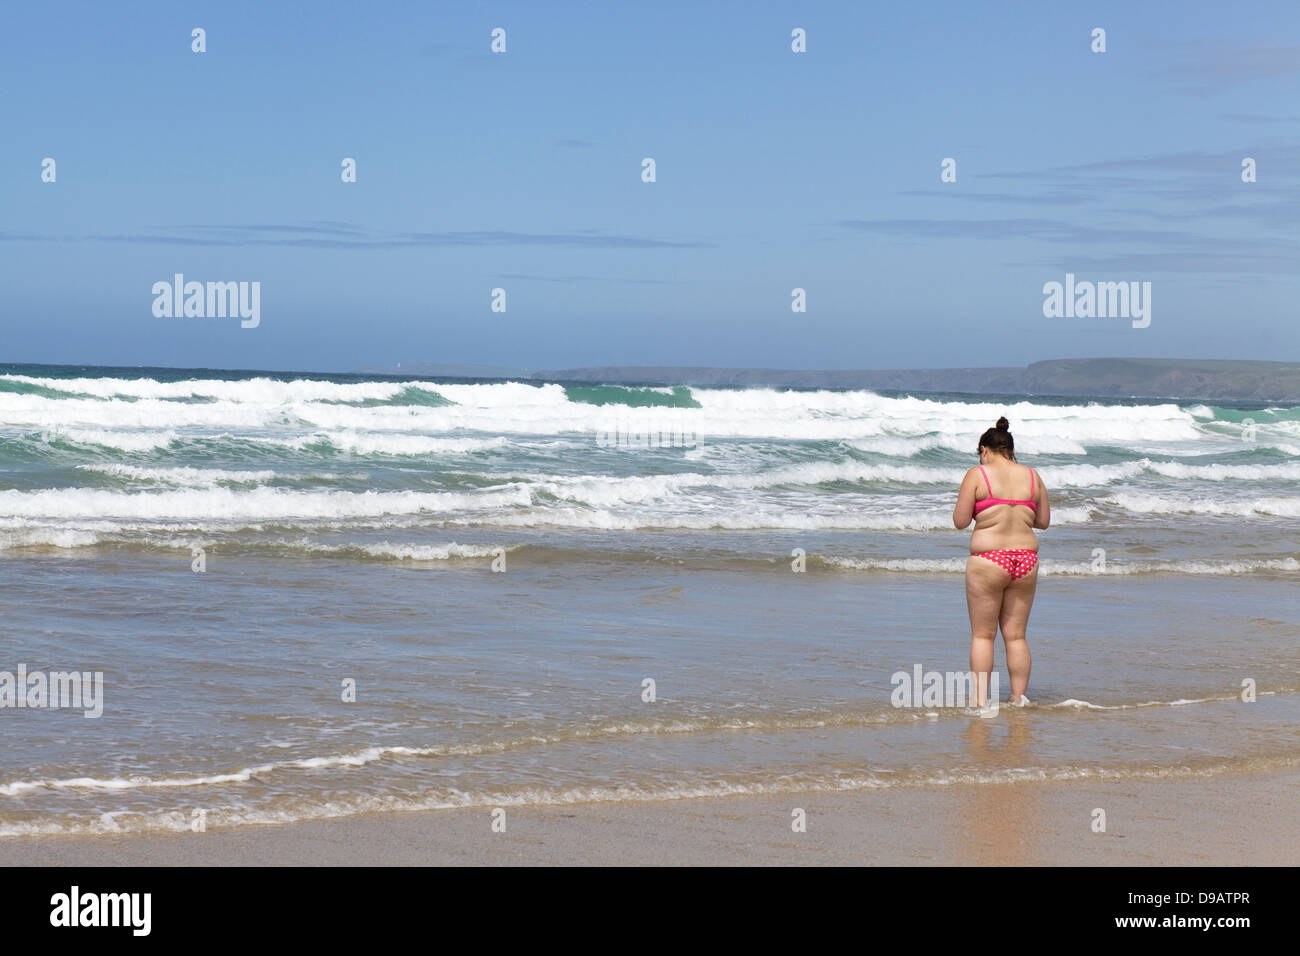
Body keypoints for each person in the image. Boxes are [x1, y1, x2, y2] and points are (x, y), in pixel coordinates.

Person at [952, 417, 1050, 707]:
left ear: (984, 450)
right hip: (1026, 559)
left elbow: (960, 521)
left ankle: (980, 701)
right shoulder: (1033, 476)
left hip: (989, 559)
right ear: (1010, 449)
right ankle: (1019, 699)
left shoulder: (978, 474)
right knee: (1016, 636)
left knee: (983, 635)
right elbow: (1043, 521)